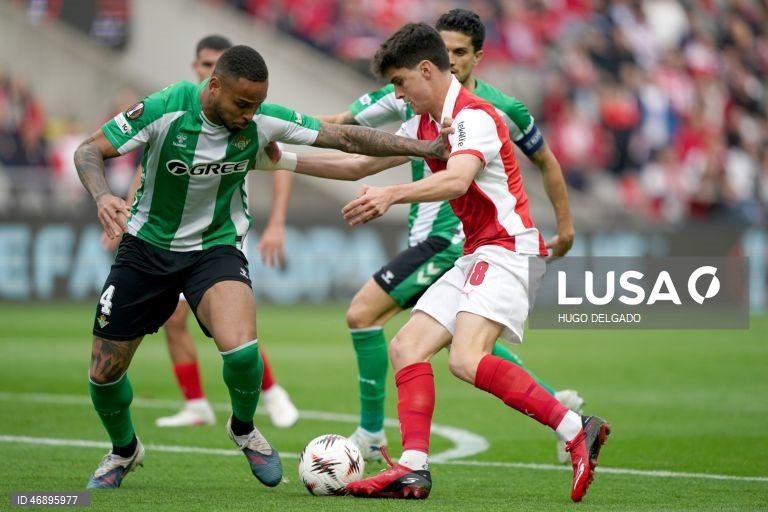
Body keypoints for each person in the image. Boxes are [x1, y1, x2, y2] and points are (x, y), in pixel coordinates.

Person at [75, 44, 449, 490]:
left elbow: (347, 139)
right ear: (214, 86)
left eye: (256, 104)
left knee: (242, 349)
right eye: (241, 104)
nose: (250, 115)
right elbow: (88, 151)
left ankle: (244, 428)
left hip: (214, 249)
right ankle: (124, 450)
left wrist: (427, 146)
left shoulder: (263, 118)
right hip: (145, 248)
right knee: (104, 372)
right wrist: (102, 196)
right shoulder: (165, 108)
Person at [274, 23, 610, 502]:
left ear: (426, 70)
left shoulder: (475, 116)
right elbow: (354, 163)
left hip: (509, 250)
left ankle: (576, 426)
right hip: (479, 251)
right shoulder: (425, 123)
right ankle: (412, 469)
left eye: (399, 82)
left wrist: (392, 194)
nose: (396, 93)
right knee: (407, 347)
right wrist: (278, 158)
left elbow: (457, 180)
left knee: (465, 359)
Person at [146, 35, 300, 429]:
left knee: (229, 324)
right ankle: (196, 404)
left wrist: (278, 222)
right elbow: (149, 172)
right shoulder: (180, 115)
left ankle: (271, 390)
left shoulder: (244, 119)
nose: (206, 68)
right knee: (175, 320)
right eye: (203, 63)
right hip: (169, 235)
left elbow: (283, 165)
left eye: (215, 61)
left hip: (220, 231)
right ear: (202, 73)